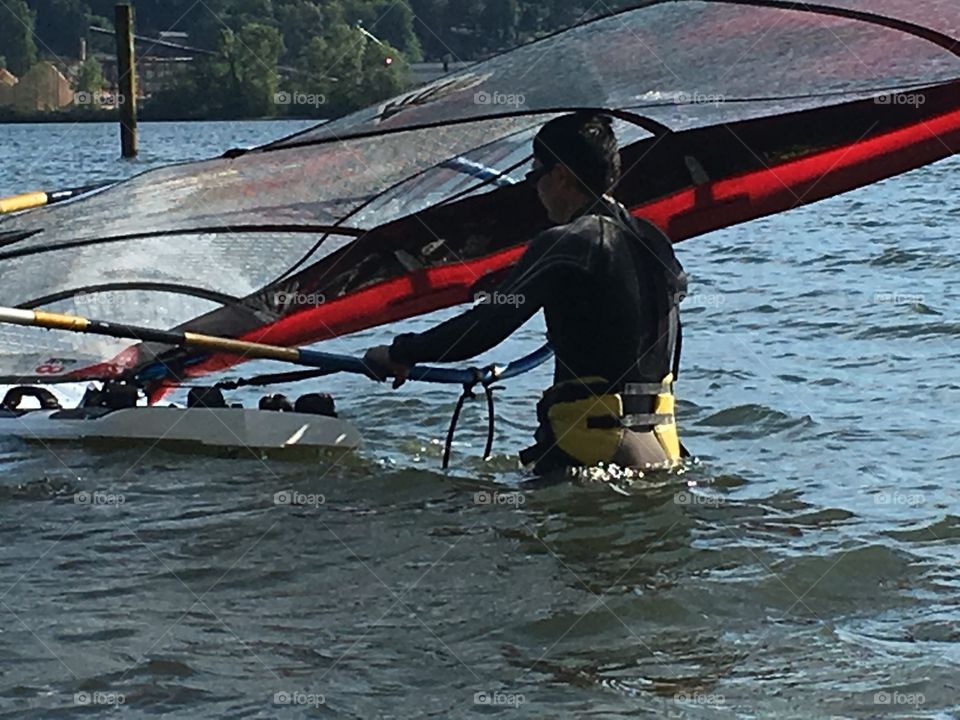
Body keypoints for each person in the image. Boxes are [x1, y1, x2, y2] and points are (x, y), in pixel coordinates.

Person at [364, 112, 687, 473]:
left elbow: (485, 326)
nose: (534, 188)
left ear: (561, 176)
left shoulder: (568, 242)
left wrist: (401, 352)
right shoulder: (655, 241)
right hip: (662, 449)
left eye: (535, 175)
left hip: (593, 449)